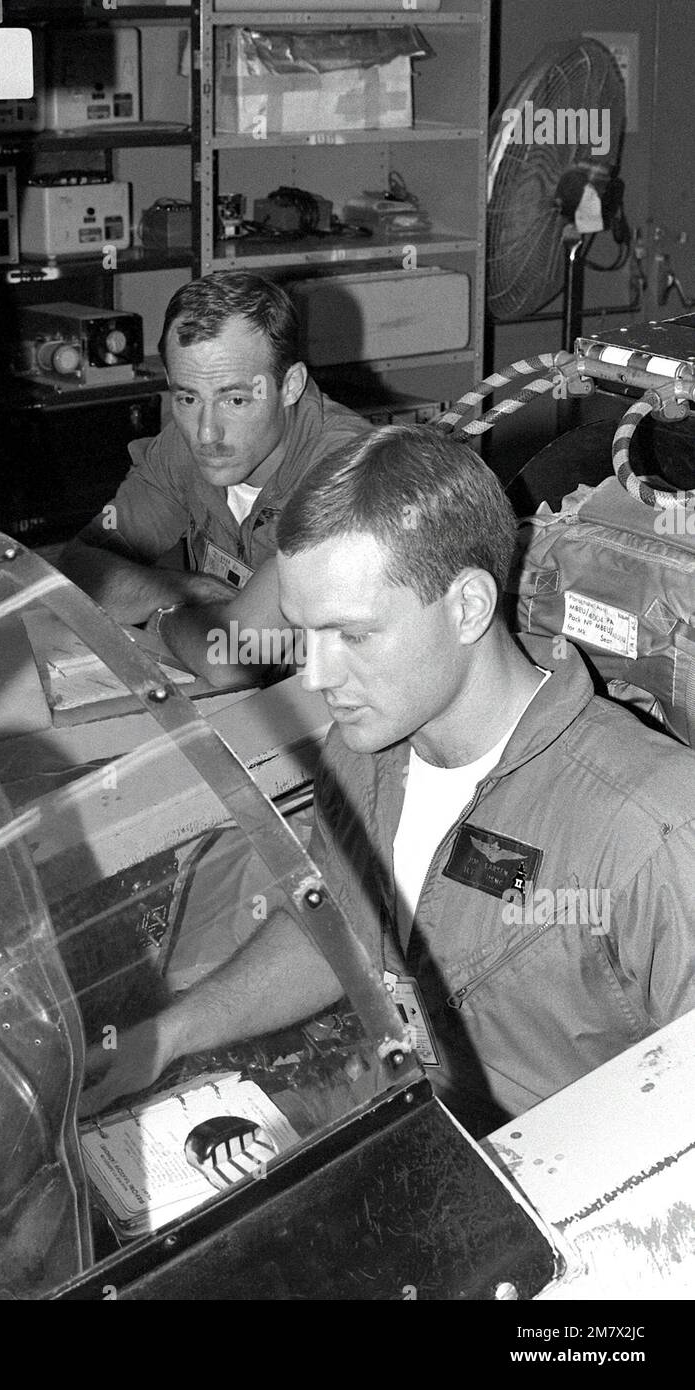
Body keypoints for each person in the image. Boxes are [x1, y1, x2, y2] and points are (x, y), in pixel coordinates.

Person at [81, 424, 695, 1137]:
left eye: (354, 635)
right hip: (412, 1125)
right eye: (304, 634)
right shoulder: (366, 749)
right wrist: (171, 1035)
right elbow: (340, 924)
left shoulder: (653, 834)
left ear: (466, 606)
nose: (315, 675)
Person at [59, 270, 368, 684]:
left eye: (235, 399)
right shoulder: (183, 447)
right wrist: (180, 588)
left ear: (291, 385)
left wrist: (166, 614)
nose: (206, 433)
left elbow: (233, 659)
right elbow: (78, 570)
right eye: (188, 397)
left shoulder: (346, 477)